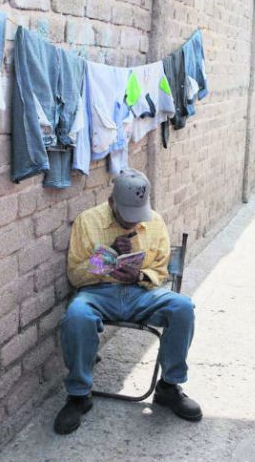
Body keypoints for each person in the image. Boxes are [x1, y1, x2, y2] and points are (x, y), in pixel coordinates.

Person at [54, 169, 202, 434]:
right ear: (112, 203)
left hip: (141, 293)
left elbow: (161, 271)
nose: (134, 223)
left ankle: (169, 387)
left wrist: (140, 274)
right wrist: (107, 257)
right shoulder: (87, 221)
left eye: (138, 216)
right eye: (127, 216)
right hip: (99, 293)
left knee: (183, 307)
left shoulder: (155, 222)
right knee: (76, 316)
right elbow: (75, 276)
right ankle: (78, 395)